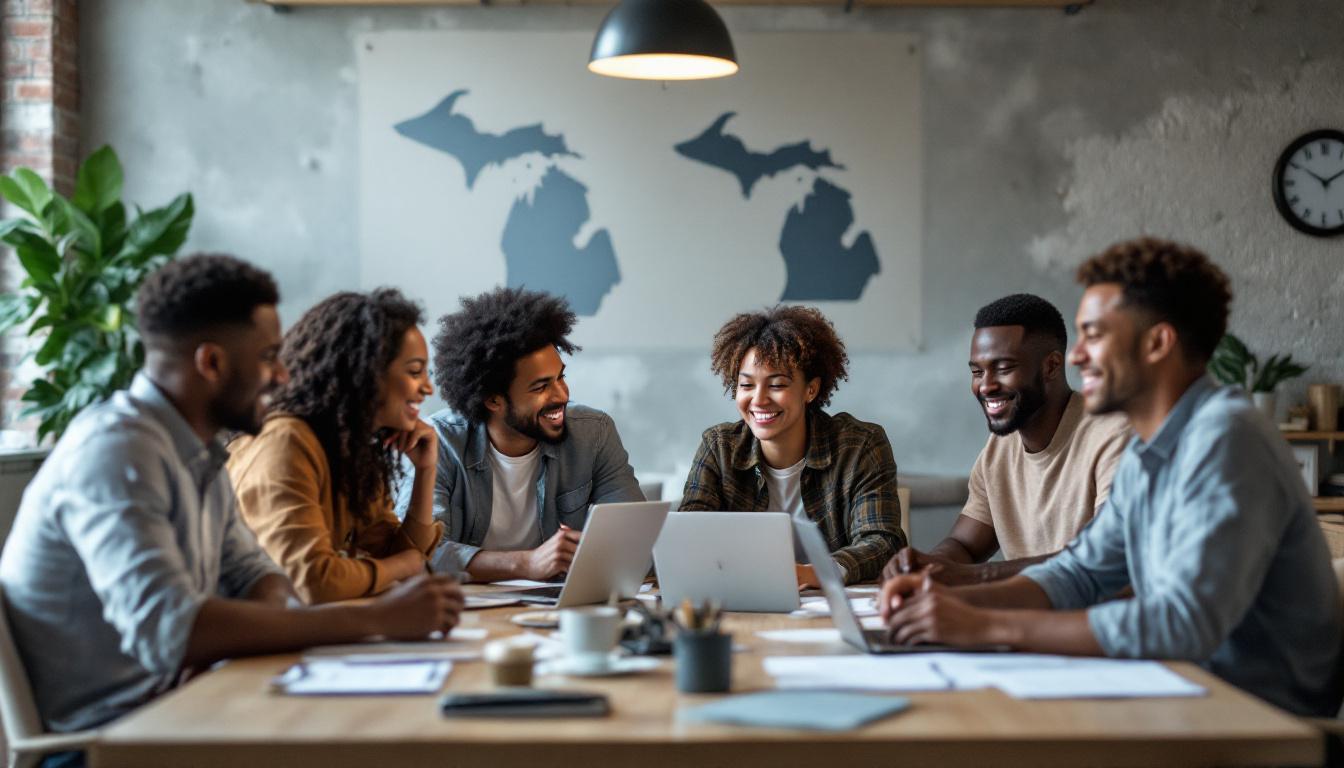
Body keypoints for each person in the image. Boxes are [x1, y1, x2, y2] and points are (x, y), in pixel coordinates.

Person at [0, 255, 464, 748]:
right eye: (268, 357)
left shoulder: (198, 453)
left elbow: (257, 576)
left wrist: (255, 627)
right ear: (212, 363)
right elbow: (171, 632)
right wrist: (376, 619)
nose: (284, 375)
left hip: (184, 712)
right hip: (108, 744)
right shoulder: (117, 452)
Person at [880, 238, 1342, 716]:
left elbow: (1182, 624)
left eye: (1094, 335)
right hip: (1175, 693)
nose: (1076, 357)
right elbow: (1080, 572)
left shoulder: (1227, 438)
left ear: (1158, 342)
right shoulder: (1150, 450)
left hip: (1259, 719)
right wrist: (947, 602)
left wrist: (984, 624)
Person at [400, 286, 643, 581]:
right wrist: (526, 564)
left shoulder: (594, 432)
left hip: (555, 610)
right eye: (541, 387)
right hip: (466, 613)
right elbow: (419, 553)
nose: (562, 395)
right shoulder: (440, 441)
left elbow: (637, 540)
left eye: (560, 377)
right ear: (493, 400)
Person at [886, 294, 1129, 585]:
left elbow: (1104, 556)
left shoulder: (1113, 435)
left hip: (1094, 624)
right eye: (977, 371)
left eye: (1003, 368)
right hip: (1031, 618)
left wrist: (972, 575)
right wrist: (927, 565)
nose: (985, 386)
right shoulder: (998, 449)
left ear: (1051, 366)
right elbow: (964, 545)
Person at [229, 289, 444, 604]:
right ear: (363, 372)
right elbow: (309, 582)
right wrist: (399, 566)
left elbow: (403, 559)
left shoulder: (350, 450)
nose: (427, 387)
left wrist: (426, 470)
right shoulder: (286, 440)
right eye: (414, 372)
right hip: (247, 644)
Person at [680, 305, 905, 587]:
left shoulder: (860, 446)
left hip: (830, 608)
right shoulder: (718, 448)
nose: (759, 400)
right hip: (743, 600)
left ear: (810, 389)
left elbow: (882, 543)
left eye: (777, 385)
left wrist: (814, 573)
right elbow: (688, 538)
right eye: (747, 385)